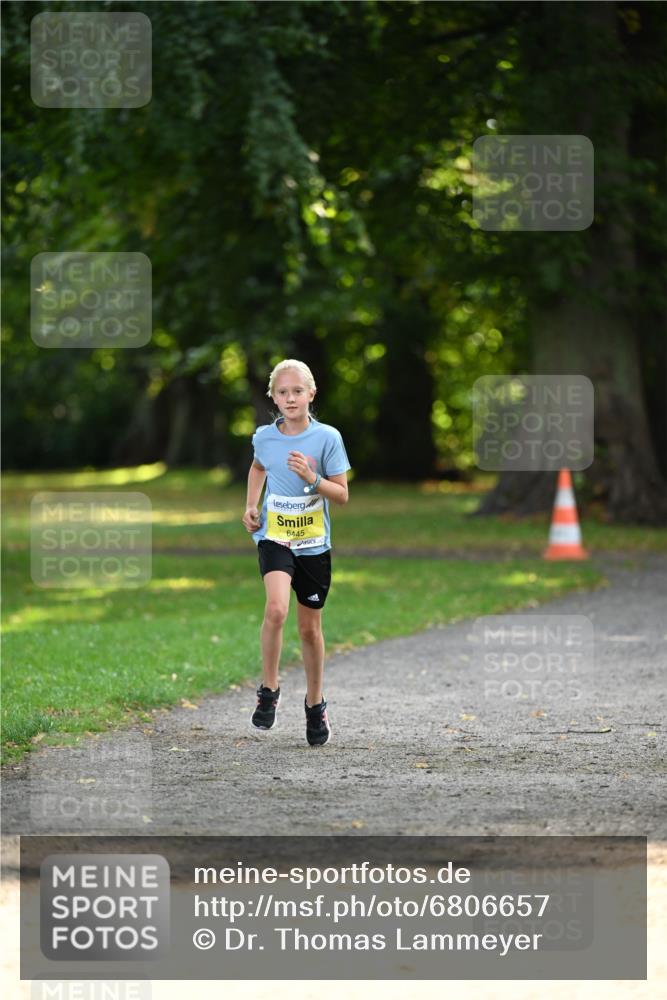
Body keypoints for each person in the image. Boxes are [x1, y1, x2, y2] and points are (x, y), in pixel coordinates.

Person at [242, 359, 351, 746]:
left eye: (297, 391)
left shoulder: (327, 438)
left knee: (309, 629)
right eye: (283, 392)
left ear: (311, 394)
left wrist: (312, 479)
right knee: (275, 609)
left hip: (314, 544)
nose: (290, 398)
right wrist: (251, 505)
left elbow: (342, 495)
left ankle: (315, 703)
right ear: (273, 396)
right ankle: (269, 690)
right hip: (275, 537)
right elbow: (258, 467)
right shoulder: (264, 437)